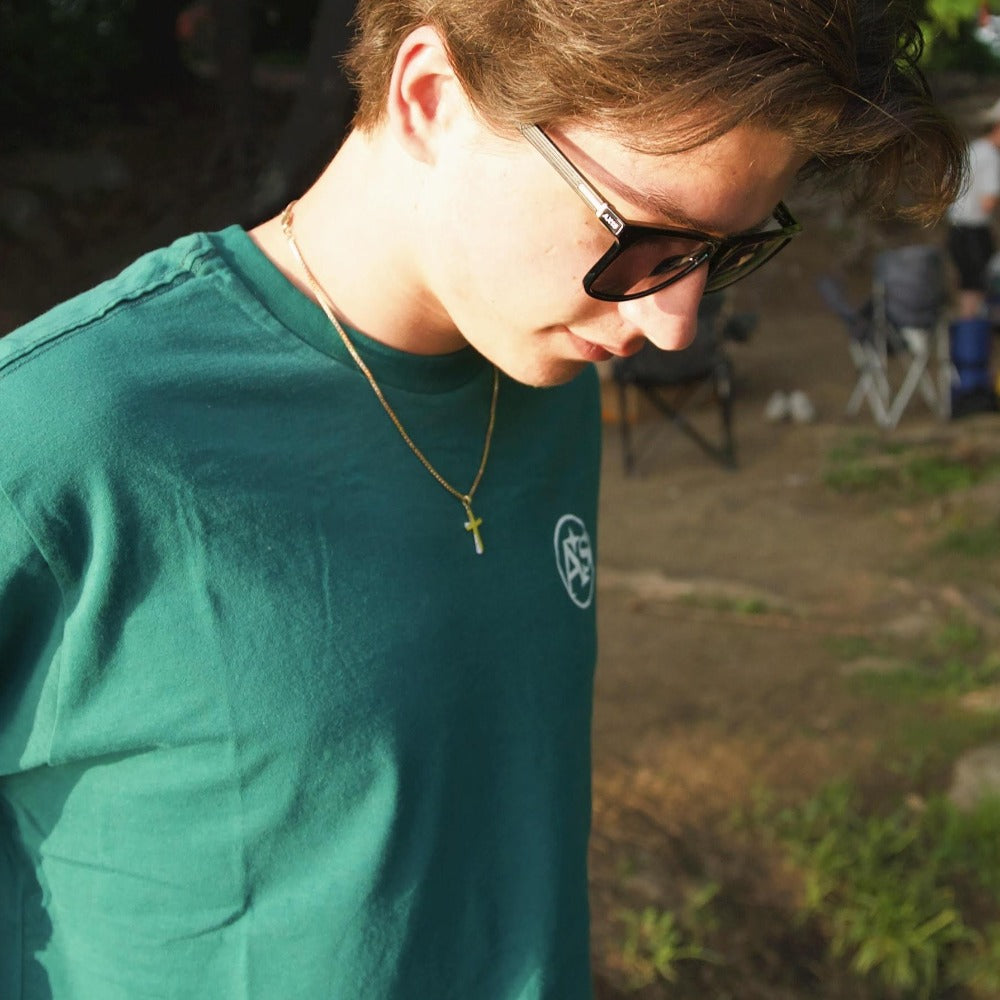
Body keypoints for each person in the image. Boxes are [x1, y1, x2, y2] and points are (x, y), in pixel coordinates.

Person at [0, 2, 964, 998]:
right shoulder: (61, 433)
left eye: (720, 253)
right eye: (641, 239)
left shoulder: (543, 368)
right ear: (431, 97)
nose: (672, 323)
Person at [947, 96, 1000, 318]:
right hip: (973, 232)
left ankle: (969, 330)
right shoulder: (991, 157)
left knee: (968, 284)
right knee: (978, 286)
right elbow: (987, 202)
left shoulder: (974, 148)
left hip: (957, 229)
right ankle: (973, 331)